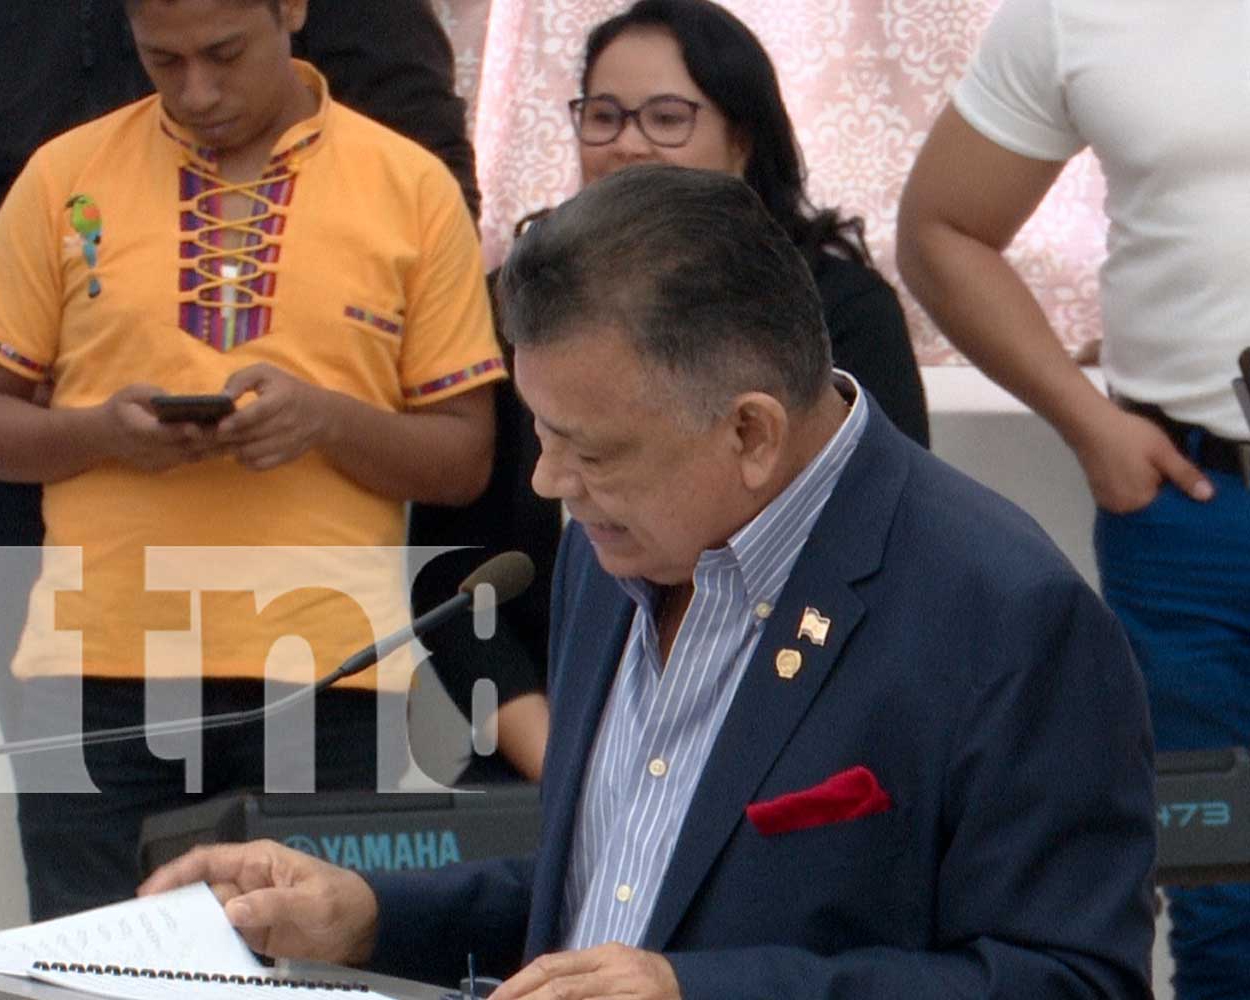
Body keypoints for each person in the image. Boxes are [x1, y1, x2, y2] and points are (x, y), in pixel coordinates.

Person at [141, 164, 1156, 999]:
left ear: (750, 431)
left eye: (588, 448)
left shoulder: (1007, 613)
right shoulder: (611, 544)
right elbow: (625, 892)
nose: (548, 483)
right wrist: (368, 916)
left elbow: (1068, 981)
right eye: (540, 434)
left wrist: (695, 993)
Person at [0, 0, 504, 919]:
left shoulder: (410, 187)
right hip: (98, 667)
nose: (196, 91)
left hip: (322, 672)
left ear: (292, 11)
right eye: (162, 61)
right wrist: (101, 435)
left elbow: (463, 459)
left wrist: (326, 422)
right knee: (90, 973)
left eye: (224, 54)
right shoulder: (64, 176)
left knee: (307, 968)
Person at [418, 0, 931, 786]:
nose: (626, 143)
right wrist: (566, 769)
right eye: (604, 116)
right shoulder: (524, 306)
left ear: (742, 141)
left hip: (782, 741)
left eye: (665, 118)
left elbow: (871, 551)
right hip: (552, 751)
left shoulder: (834, 311)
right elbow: (457, 582)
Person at [894, 1, 1250, 995]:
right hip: (1195, 510)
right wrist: (1086, 420)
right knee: (1224, 893)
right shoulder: (1078, 11)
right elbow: (942, 229)